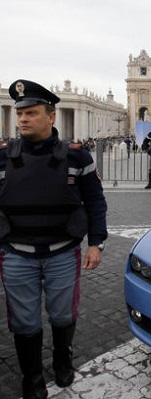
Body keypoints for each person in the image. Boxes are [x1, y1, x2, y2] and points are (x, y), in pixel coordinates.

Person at [0, 79, 108, 398]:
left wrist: (96, 242)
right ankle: (31, 378)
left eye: (31, 113)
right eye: (20, 113)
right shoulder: (3, 157)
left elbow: (95, 201)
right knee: (23, 320)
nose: (22, 119)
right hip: (16, 251)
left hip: (62, 250)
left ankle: (63, 357)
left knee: (62, 314)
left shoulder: (77, 156)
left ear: (51, 117)